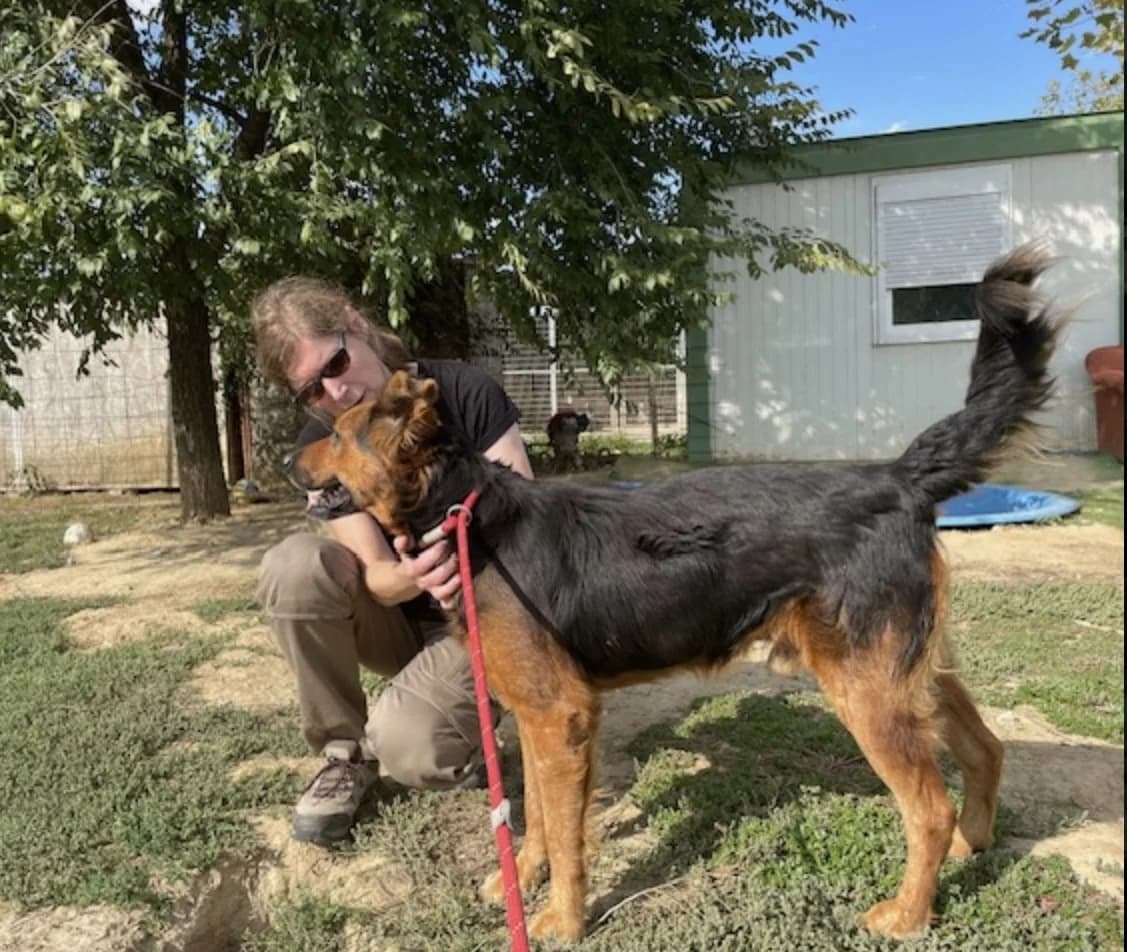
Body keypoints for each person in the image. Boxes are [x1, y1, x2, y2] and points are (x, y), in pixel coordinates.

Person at [250, 277, 534, 846]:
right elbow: (376, 576)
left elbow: (531, 533)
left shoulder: (466, 392)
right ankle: (342, 753)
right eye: (310, 391)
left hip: (489, 614)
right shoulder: (323, 451)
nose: (334, 392)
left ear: (355, 325)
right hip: (402, 621)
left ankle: (467, 725)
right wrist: (409, 575)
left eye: (335, 363)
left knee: (412, 749)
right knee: (295, 565)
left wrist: (463, 558)